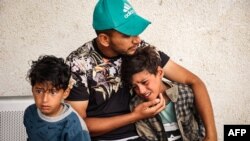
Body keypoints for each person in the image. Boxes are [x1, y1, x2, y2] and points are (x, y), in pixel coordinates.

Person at [65, 0, 217, 140]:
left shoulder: (138, 48)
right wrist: (134, 116)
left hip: (144, 135)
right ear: (105, 39)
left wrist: (211, 136)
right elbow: (79, 125)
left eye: (136, 32)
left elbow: (194, 81)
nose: (137, 39)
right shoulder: (79, 63)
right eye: (127, 34)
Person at [121, 45, 212, 141]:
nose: (141, 91)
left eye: (145, 82)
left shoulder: (185, 93)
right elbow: (147, 137)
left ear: (160, 73)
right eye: (135, 87)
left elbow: (202, 124)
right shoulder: (137, 106)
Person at [23, 55, 91, 141]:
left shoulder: (73, 125)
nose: (44, 100)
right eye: (39, 91)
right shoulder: (30, 113)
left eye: (53, 92)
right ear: (32, 90)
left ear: (65, 93)